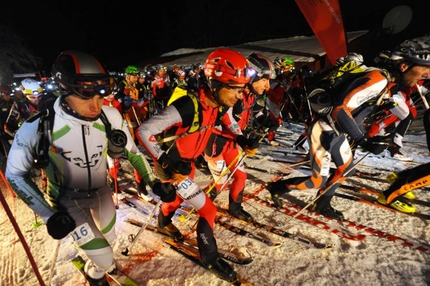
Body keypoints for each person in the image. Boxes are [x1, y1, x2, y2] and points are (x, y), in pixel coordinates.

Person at [5, 50, 173, 286]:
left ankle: (96, 265)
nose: (96, 106)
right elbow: (15, 175)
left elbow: (133, 154)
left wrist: (154, 182)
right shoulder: (39, 126)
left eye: (100, 95)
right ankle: (97, 275)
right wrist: (49, 215)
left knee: (110, 238)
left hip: (101, 192)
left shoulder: (110, 116)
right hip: (66, 202)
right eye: (85, 96)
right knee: (105, 258)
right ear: (64, 89)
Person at [137, 48, 251, 282]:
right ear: (216, 84)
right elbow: (144, 130)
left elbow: (228, 119)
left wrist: (240, 137)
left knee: (175, 201)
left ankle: (163, 223)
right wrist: (166, 162)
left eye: (242, 89)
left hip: (186, 165)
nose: (240, 96)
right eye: (236, 89)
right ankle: (210, 257)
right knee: (208, 210)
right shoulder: (188, 105)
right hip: (172, 167)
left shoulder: (219, 103)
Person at [265, 51, 393, 220]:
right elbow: (342, 109)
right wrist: (365, 140)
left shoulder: (379, 85)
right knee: (317, 181)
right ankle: (278, 187)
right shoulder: (375, 80)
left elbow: (358, 114)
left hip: (337, 133)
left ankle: (322, 203)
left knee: (347, 170)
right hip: (323, 130)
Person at [203, 53, 275, 222]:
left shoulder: (251, 94)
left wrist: (265, 120)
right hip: (216, 141)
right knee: (220, 183)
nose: (268, 86)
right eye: (265, 80)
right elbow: (227, 117)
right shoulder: (235, 93)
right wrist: (241, 137)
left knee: (241, 176)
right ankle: (201, 205)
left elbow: (251, 113)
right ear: (254, 76)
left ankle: (235, 207)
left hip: (233, 141)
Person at [0, 84, 14, 161]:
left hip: (13, 128)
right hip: (4, 131)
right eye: (6, 95)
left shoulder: (13, 102)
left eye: (10, 94)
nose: (8, 96)